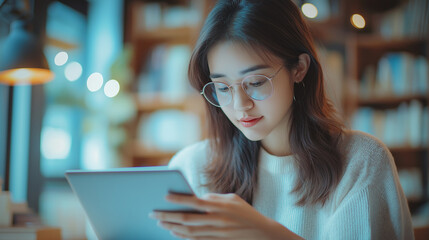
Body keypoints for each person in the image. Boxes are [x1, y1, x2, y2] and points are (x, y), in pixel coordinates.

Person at [149, 0, 414, 239]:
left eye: (255, 82)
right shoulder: (191, 168)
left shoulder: (360, 162)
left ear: (299, 68)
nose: (240, 105)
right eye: (223, 87)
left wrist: (267, 234)